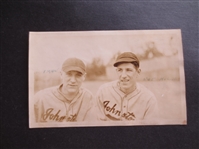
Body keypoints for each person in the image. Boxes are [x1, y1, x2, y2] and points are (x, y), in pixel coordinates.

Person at [95, 52, 158, 122]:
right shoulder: (103, 92)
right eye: (120, 70)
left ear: (138, 72)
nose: (123, 75)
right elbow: (98, 126)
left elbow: (150, 130)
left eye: (128, 70)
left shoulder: (148, 99)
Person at [34, 58, 93, 122]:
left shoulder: (88, 98)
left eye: (78, 75)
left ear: (84, 77)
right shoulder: (41, 98)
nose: (73, 80)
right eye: (68, 74)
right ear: (61, 74)